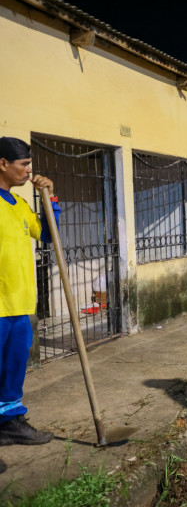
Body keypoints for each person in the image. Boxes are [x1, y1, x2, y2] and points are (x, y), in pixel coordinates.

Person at [0, 137, 59, 454]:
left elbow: (48, 234)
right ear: (3, 164)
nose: (28, 170)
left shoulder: (19, 204)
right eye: (23, 164)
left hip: (20, 304)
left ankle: (9, 423)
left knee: (13, 368)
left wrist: (49, 197)